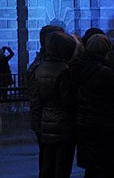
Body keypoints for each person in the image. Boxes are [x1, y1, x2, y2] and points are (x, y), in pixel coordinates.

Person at [71, 33, 114, 177]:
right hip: (104, 124)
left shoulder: (77, 68)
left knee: (92, 168)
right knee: (105, 167)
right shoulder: (104, 72)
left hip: (84, 123)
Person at [28, 30, 78, 178]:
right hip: (64, 126)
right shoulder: (64, 71)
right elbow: (68, 101)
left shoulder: (40, 68)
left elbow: (37, 100)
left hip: (46, 123)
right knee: (62, 168)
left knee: (47, 166)